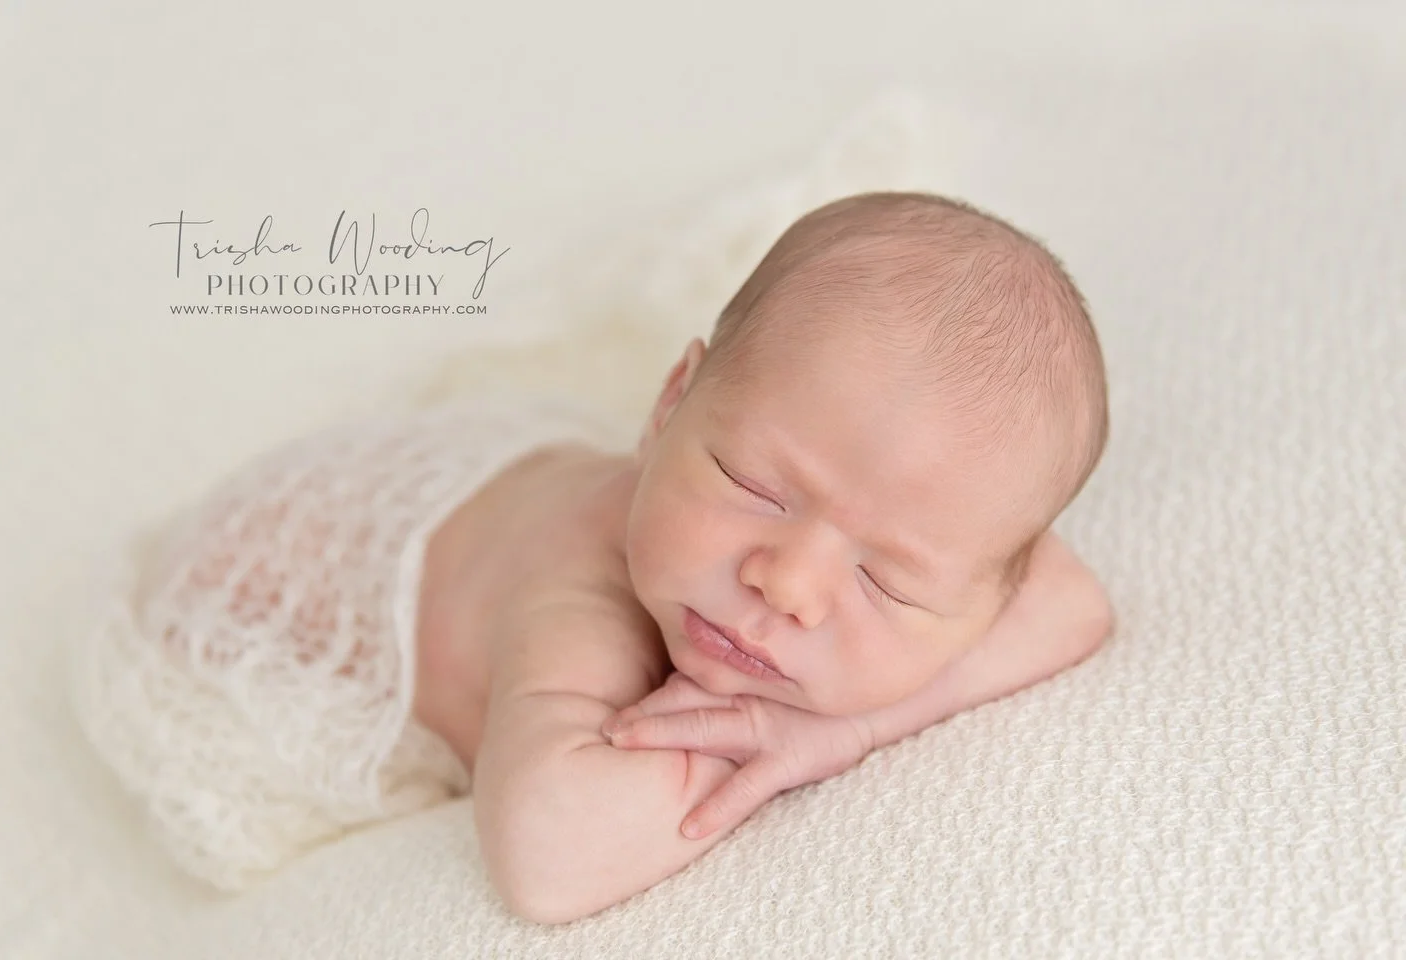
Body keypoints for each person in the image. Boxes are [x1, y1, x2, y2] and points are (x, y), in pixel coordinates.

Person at [72, 191, 1115, 924]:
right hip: (286, 570)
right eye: (755, 486)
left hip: (493, 488)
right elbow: (546, 859)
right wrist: (806, 716)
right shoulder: (580, 600)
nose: (786, 584)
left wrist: (827, 734)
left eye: (885, 579)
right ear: (669, 404)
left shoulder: (960, 561)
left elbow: (1071, 601)